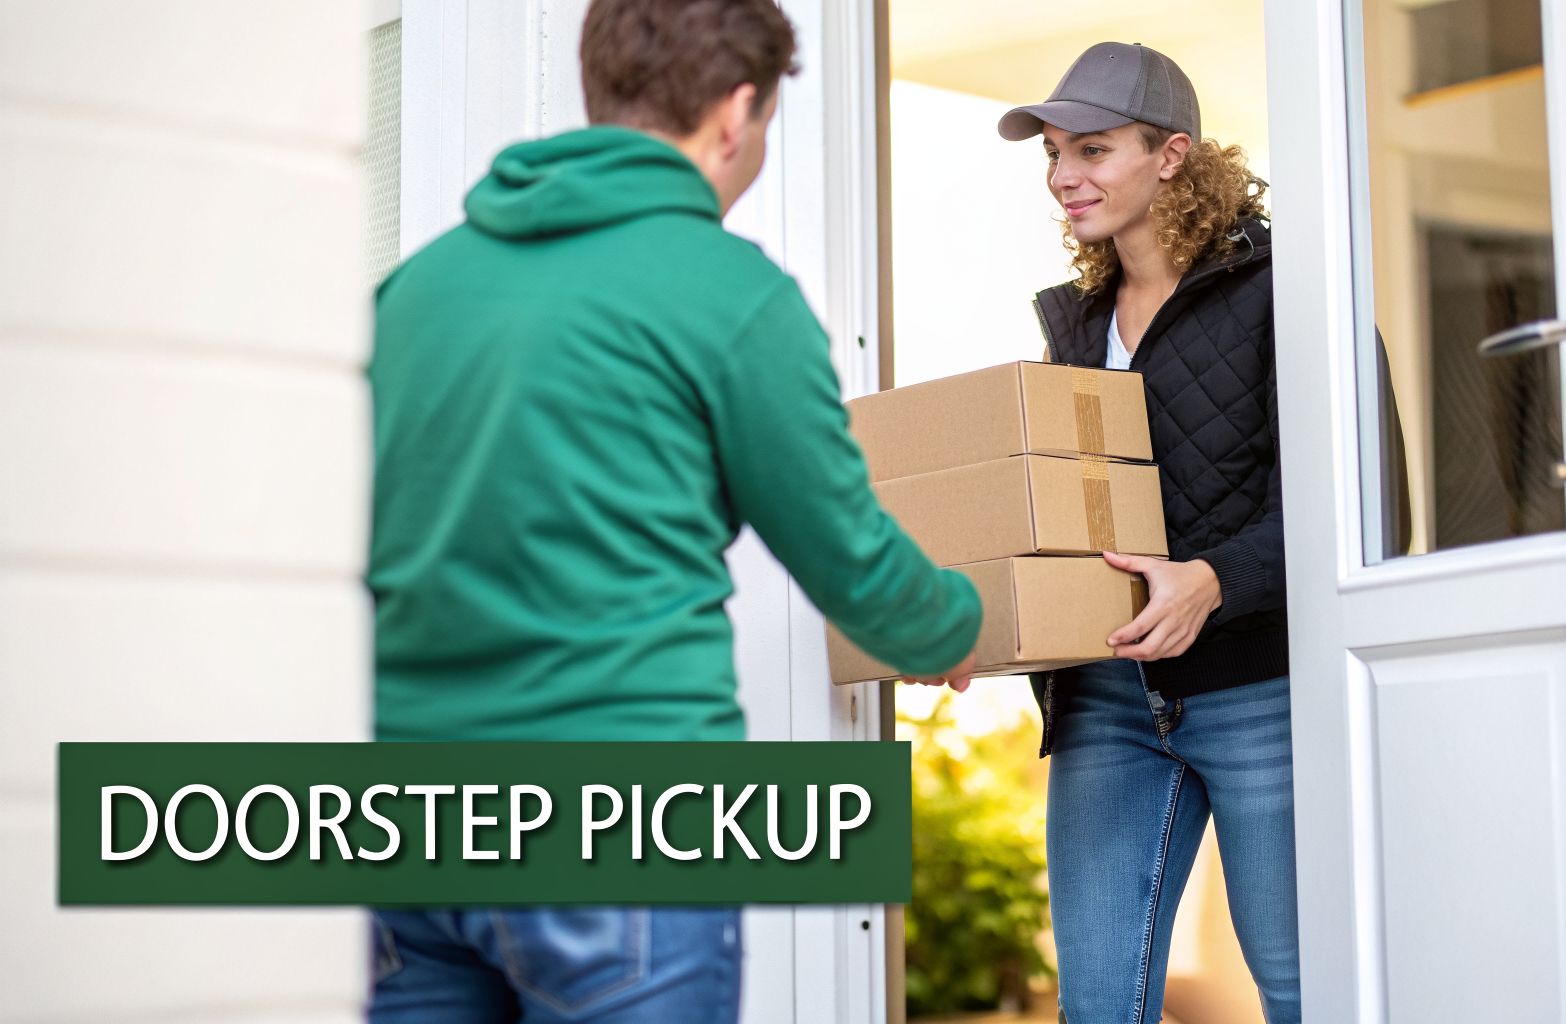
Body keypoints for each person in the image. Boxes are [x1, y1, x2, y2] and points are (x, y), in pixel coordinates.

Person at [364, 1, 980, 1020]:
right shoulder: (728, 294)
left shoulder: (413, 292)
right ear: (736, 112)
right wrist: (949, 623)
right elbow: (849, 558)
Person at [999, 42, 1301, 1023]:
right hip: (1102, 697)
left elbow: (1347, 507)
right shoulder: (1076, 323)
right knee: (1094, 1000)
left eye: (1091, 149)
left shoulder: (1282, 290)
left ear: (1170, 154)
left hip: (1253, 686)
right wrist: (978, 621)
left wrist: (1209, 580)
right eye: (1052, 152)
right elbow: (1060, 508)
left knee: (1300, 987)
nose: (1061, 176)